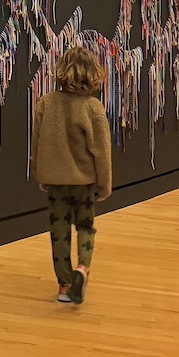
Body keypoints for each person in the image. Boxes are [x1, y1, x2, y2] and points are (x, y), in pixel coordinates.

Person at [31, 45, 112, 305]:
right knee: (86, 227)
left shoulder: (46, 103)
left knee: (59, 231)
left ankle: (64, 286)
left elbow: (37, 143)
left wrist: (41, 173)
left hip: (56, 182)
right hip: (84, 183)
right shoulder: (93, 108)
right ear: (93, 74)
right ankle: (82, 268)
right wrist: (105, 184)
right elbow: (102, 152)